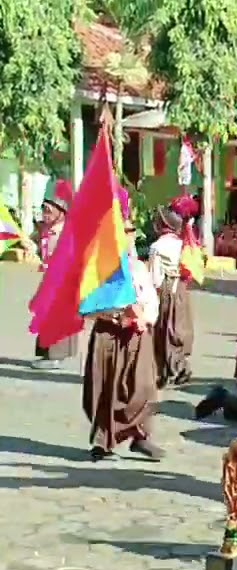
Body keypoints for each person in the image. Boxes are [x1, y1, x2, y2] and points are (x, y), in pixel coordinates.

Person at [83, 197, 164, 462]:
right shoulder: (98, 268)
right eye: (123, 232)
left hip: (137, 334)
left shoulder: (138, 267)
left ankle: (140, 435)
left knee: (143, 386)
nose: (128, 238)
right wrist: (118, 314)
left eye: (130, 232)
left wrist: (145, 318)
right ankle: (102, 440)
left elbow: (151, 299)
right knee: (105, 387)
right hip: (108, 334)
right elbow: (88, 305)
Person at [148, 195, 198, 388]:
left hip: (167, 289)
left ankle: (166, 370)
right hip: (181, 289)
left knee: (163, 329)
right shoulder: (183, 243)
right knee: (179, 328)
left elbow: (155, 276)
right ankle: (179, 365)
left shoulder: (157, 247)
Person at [32, 180, 78, 370]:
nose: (45, 213)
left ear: (62, 211)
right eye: (44, 209)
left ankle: (55, 355)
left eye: (49, 210)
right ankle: (47, 353)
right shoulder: (48, 231)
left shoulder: (65, 233)